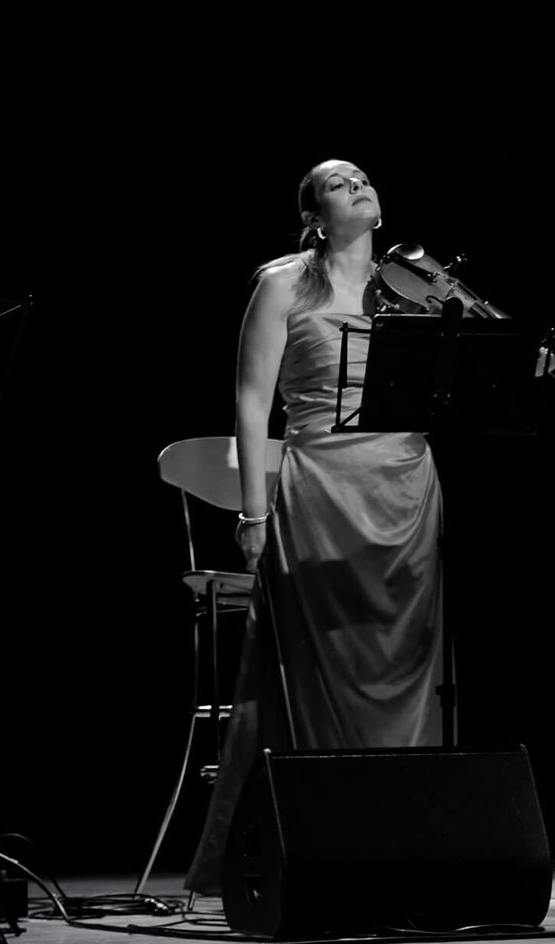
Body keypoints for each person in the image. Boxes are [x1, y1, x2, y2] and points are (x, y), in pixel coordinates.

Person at [185, 159, 445, 894]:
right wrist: (252, 510)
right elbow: (249, 402)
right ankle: (331, 835)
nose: (358, 184)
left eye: (364, 177)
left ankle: (409, 836)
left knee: (409, 665)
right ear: (314, 214)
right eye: (338, 183)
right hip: (324, 483)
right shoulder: (282, 283)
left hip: (407, 483)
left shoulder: (419, 292)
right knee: (325, 662)